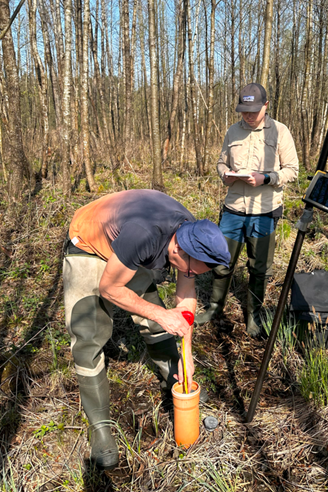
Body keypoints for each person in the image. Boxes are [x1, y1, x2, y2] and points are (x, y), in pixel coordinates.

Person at [63, 189, 230, 470]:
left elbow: (185, 298)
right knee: (89, 335)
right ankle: (100, 427)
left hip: (126, 244)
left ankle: (174, 378)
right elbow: (109, 288)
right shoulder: (145, 235)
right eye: (190, 270)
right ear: (178, 249)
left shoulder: (189, 232)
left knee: (157, 320)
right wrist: (160, 313)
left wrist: (186, 352)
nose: (189, 276)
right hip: (90, 244)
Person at [195, 83, 298, 337]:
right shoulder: (232, 131)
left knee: (259, 267)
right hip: (233, 209)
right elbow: (221, 162)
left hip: (264, 211)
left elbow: (292, 170)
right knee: (221, 262)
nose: (248, 116)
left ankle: (253, 315)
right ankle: (215, 308)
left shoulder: (280, 132)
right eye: (244, 111)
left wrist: (266, 178)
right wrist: (225, 175)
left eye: (253, 110)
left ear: (266, 105)